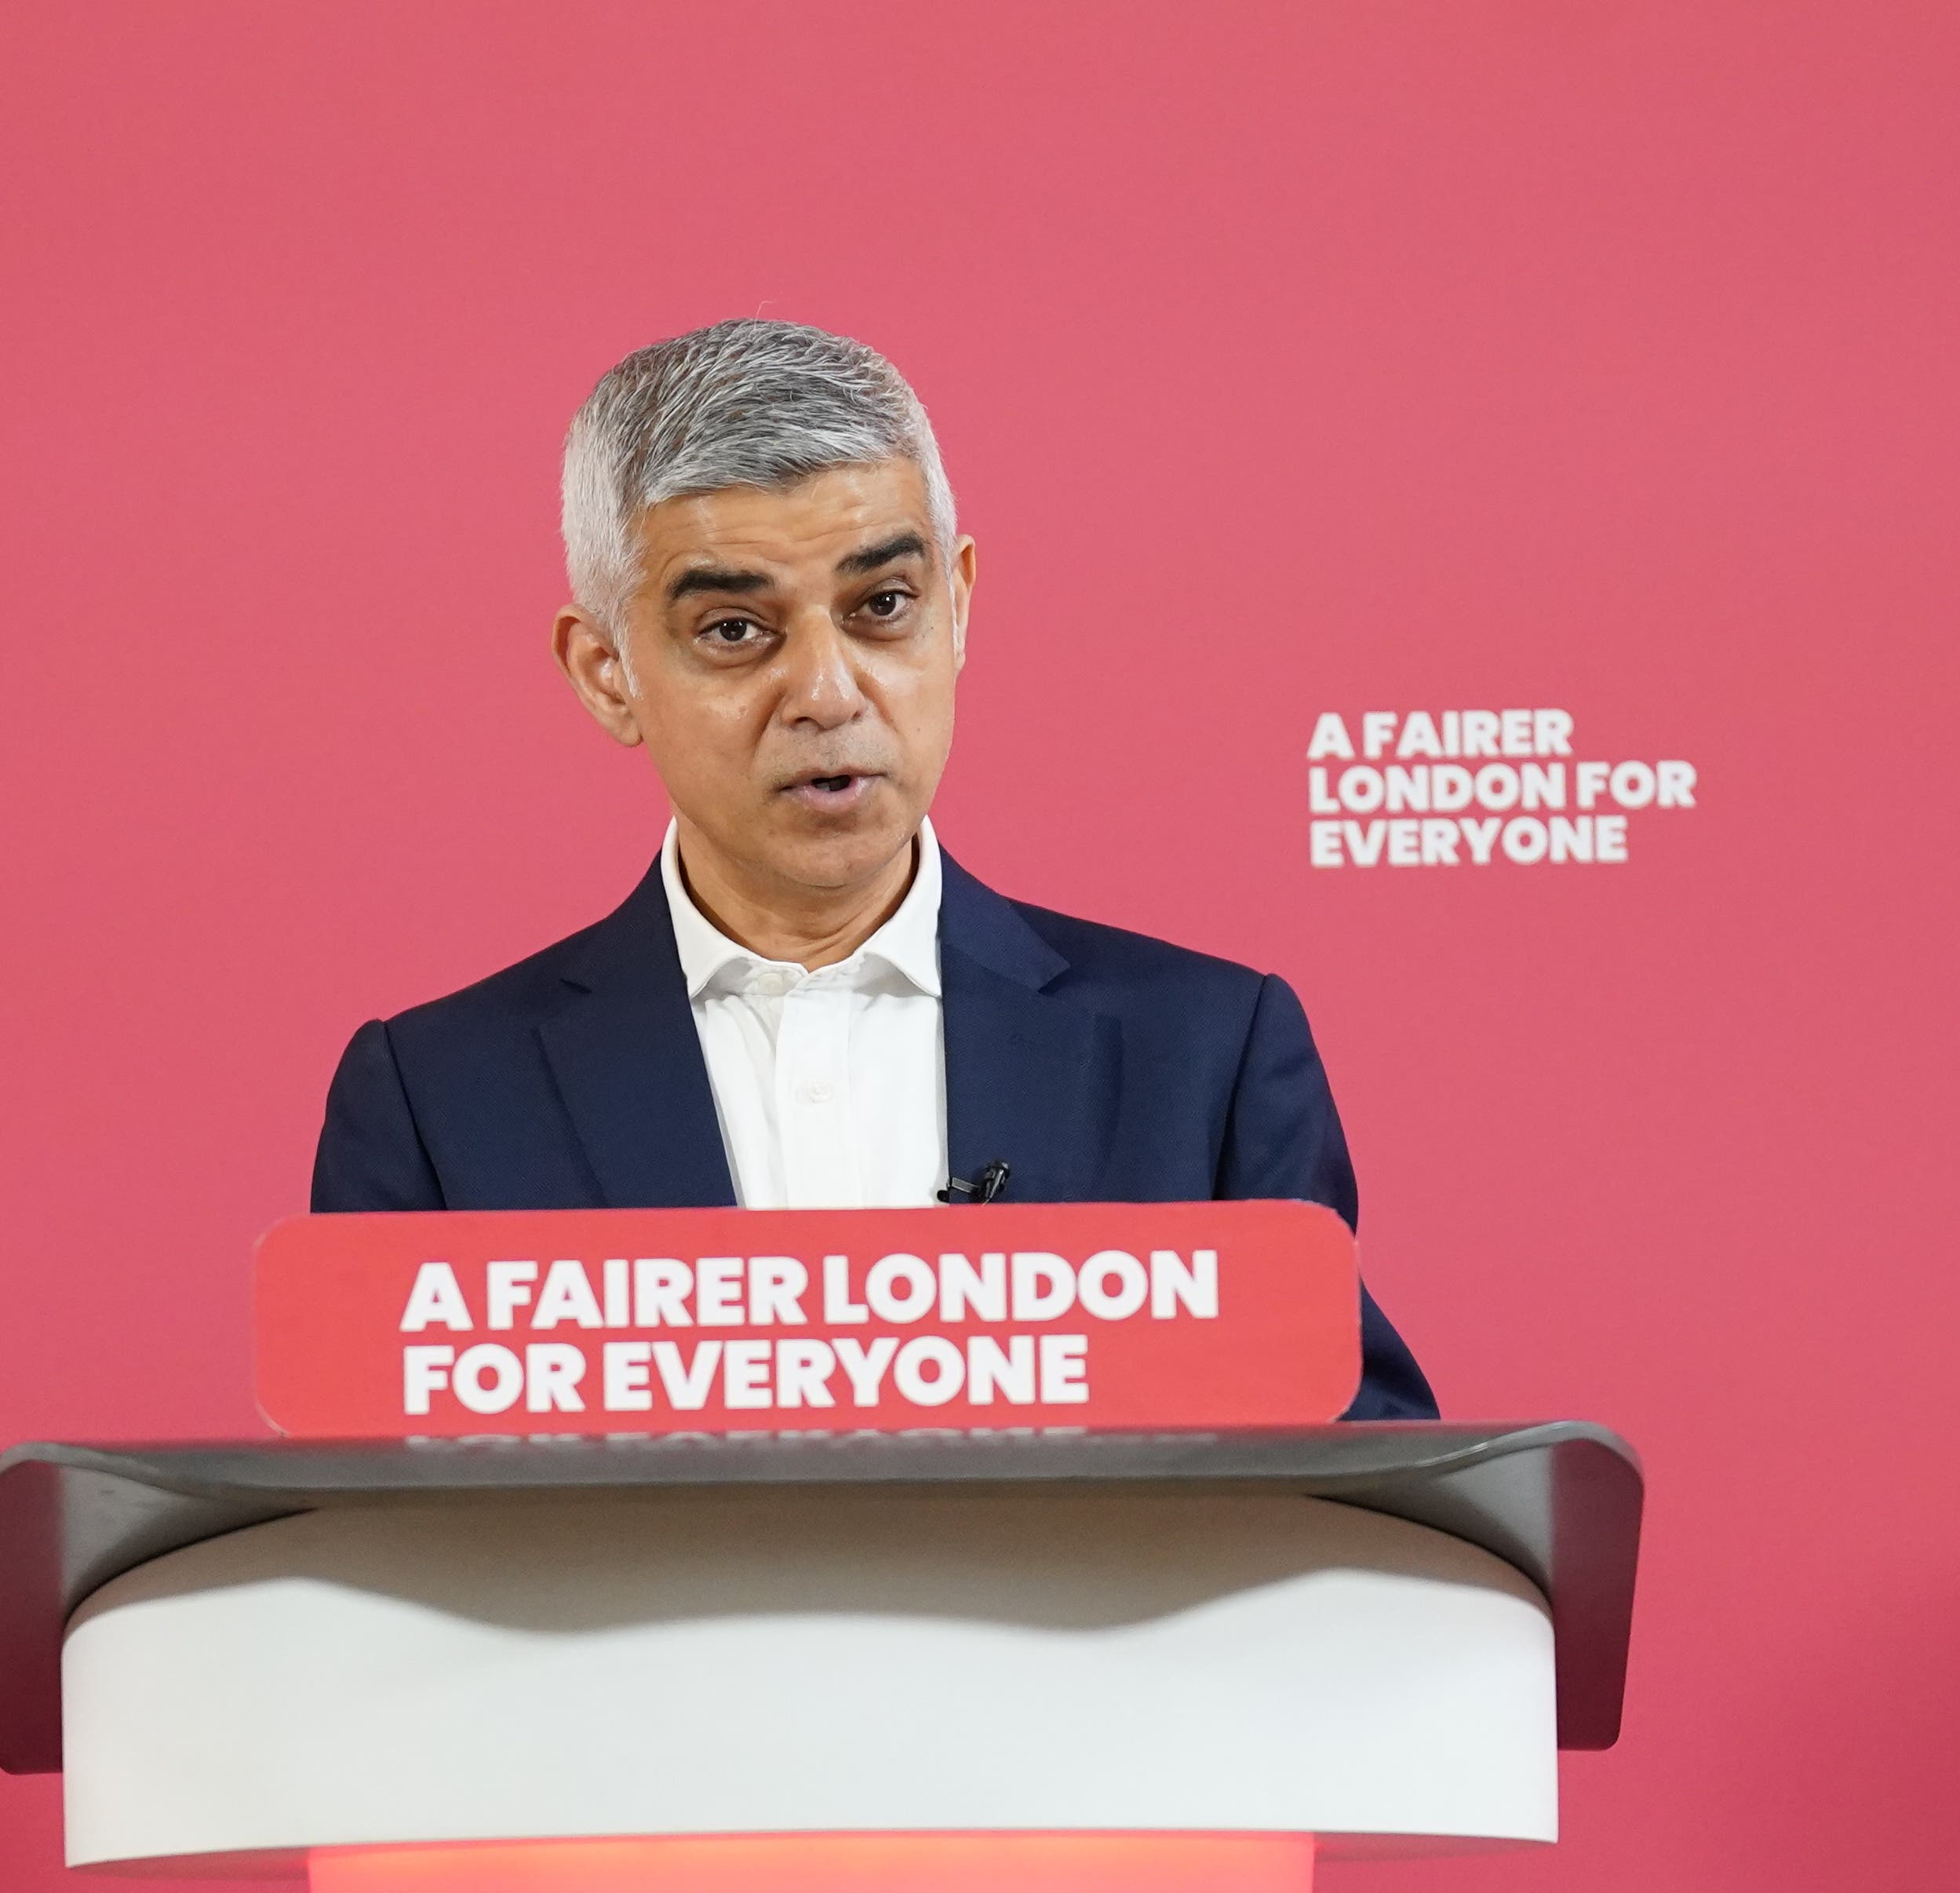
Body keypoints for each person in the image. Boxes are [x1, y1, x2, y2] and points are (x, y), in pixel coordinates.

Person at [311, 319, 1434, 1418]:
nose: (829, 694)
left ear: (956, 608)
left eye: (882, 608)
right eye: (737, 631)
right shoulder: (439, 1104)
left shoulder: (1207, 1058)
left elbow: (1359, 1518)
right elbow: (379, 1559)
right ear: (607, 672)